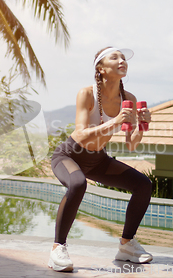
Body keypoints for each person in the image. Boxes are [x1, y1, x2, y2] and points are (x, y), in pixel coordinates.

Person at [48, 47, 153, 272]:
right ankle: (58, 248)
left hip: (98, 160)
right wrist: (114, 122)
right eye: (114, 57)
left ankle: (126, 245)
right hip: (69, 155)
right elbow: (80, 134)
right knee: (77, 184)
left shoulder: (129, 98)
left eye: (123, 58)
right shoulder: (86, 94)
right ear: (101, 69)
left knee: (143, 185)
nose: (122, 60)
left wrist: (143, 125)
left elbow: (131, 144)